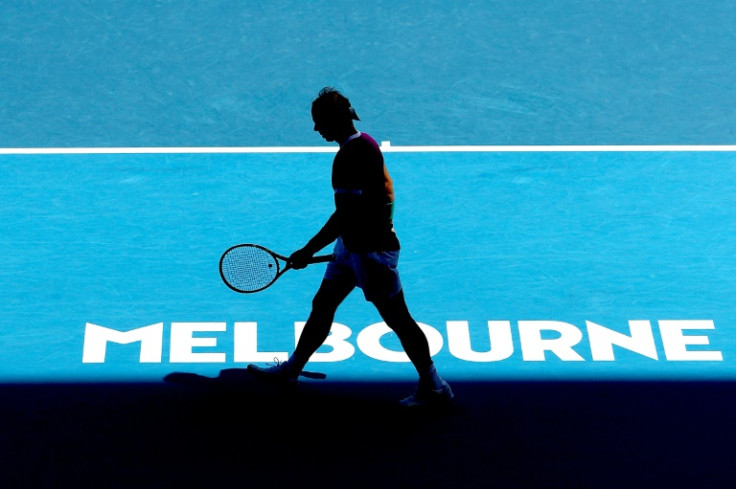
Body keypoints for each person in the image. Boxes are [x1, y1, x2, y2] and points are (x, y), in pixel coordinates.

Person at [247, 87, 453, 407]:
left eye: (319, 122)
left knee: (399, 320)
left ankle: (435, 387)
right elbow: (383, 195)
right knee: (323, 305)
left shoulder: (348, 157)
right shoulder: (366, 142)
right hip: (354, 246)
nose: (316, 129)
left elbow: (344, 215)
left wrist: (307, 251)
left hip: (369, 253)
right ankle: (291, 370)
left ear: (334, 120)